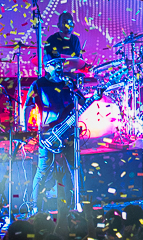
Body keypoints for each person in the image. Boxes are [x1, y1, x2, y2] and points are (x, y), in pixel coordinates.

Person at [24, 57, 96, 213]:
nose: (59, 67)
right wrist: (26, 129)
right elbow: (27, 107)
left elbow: (82, 102)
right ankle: (34, 206)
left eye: (60, 64)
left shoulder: (67, 83)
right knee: (43, 169)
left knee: (76, 167)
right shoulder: (38, 84)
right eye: (54, 64)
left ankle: (80, 204)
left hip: (69, 133)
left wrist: (75, 88)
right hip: (48, 134)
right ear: (47, 67)